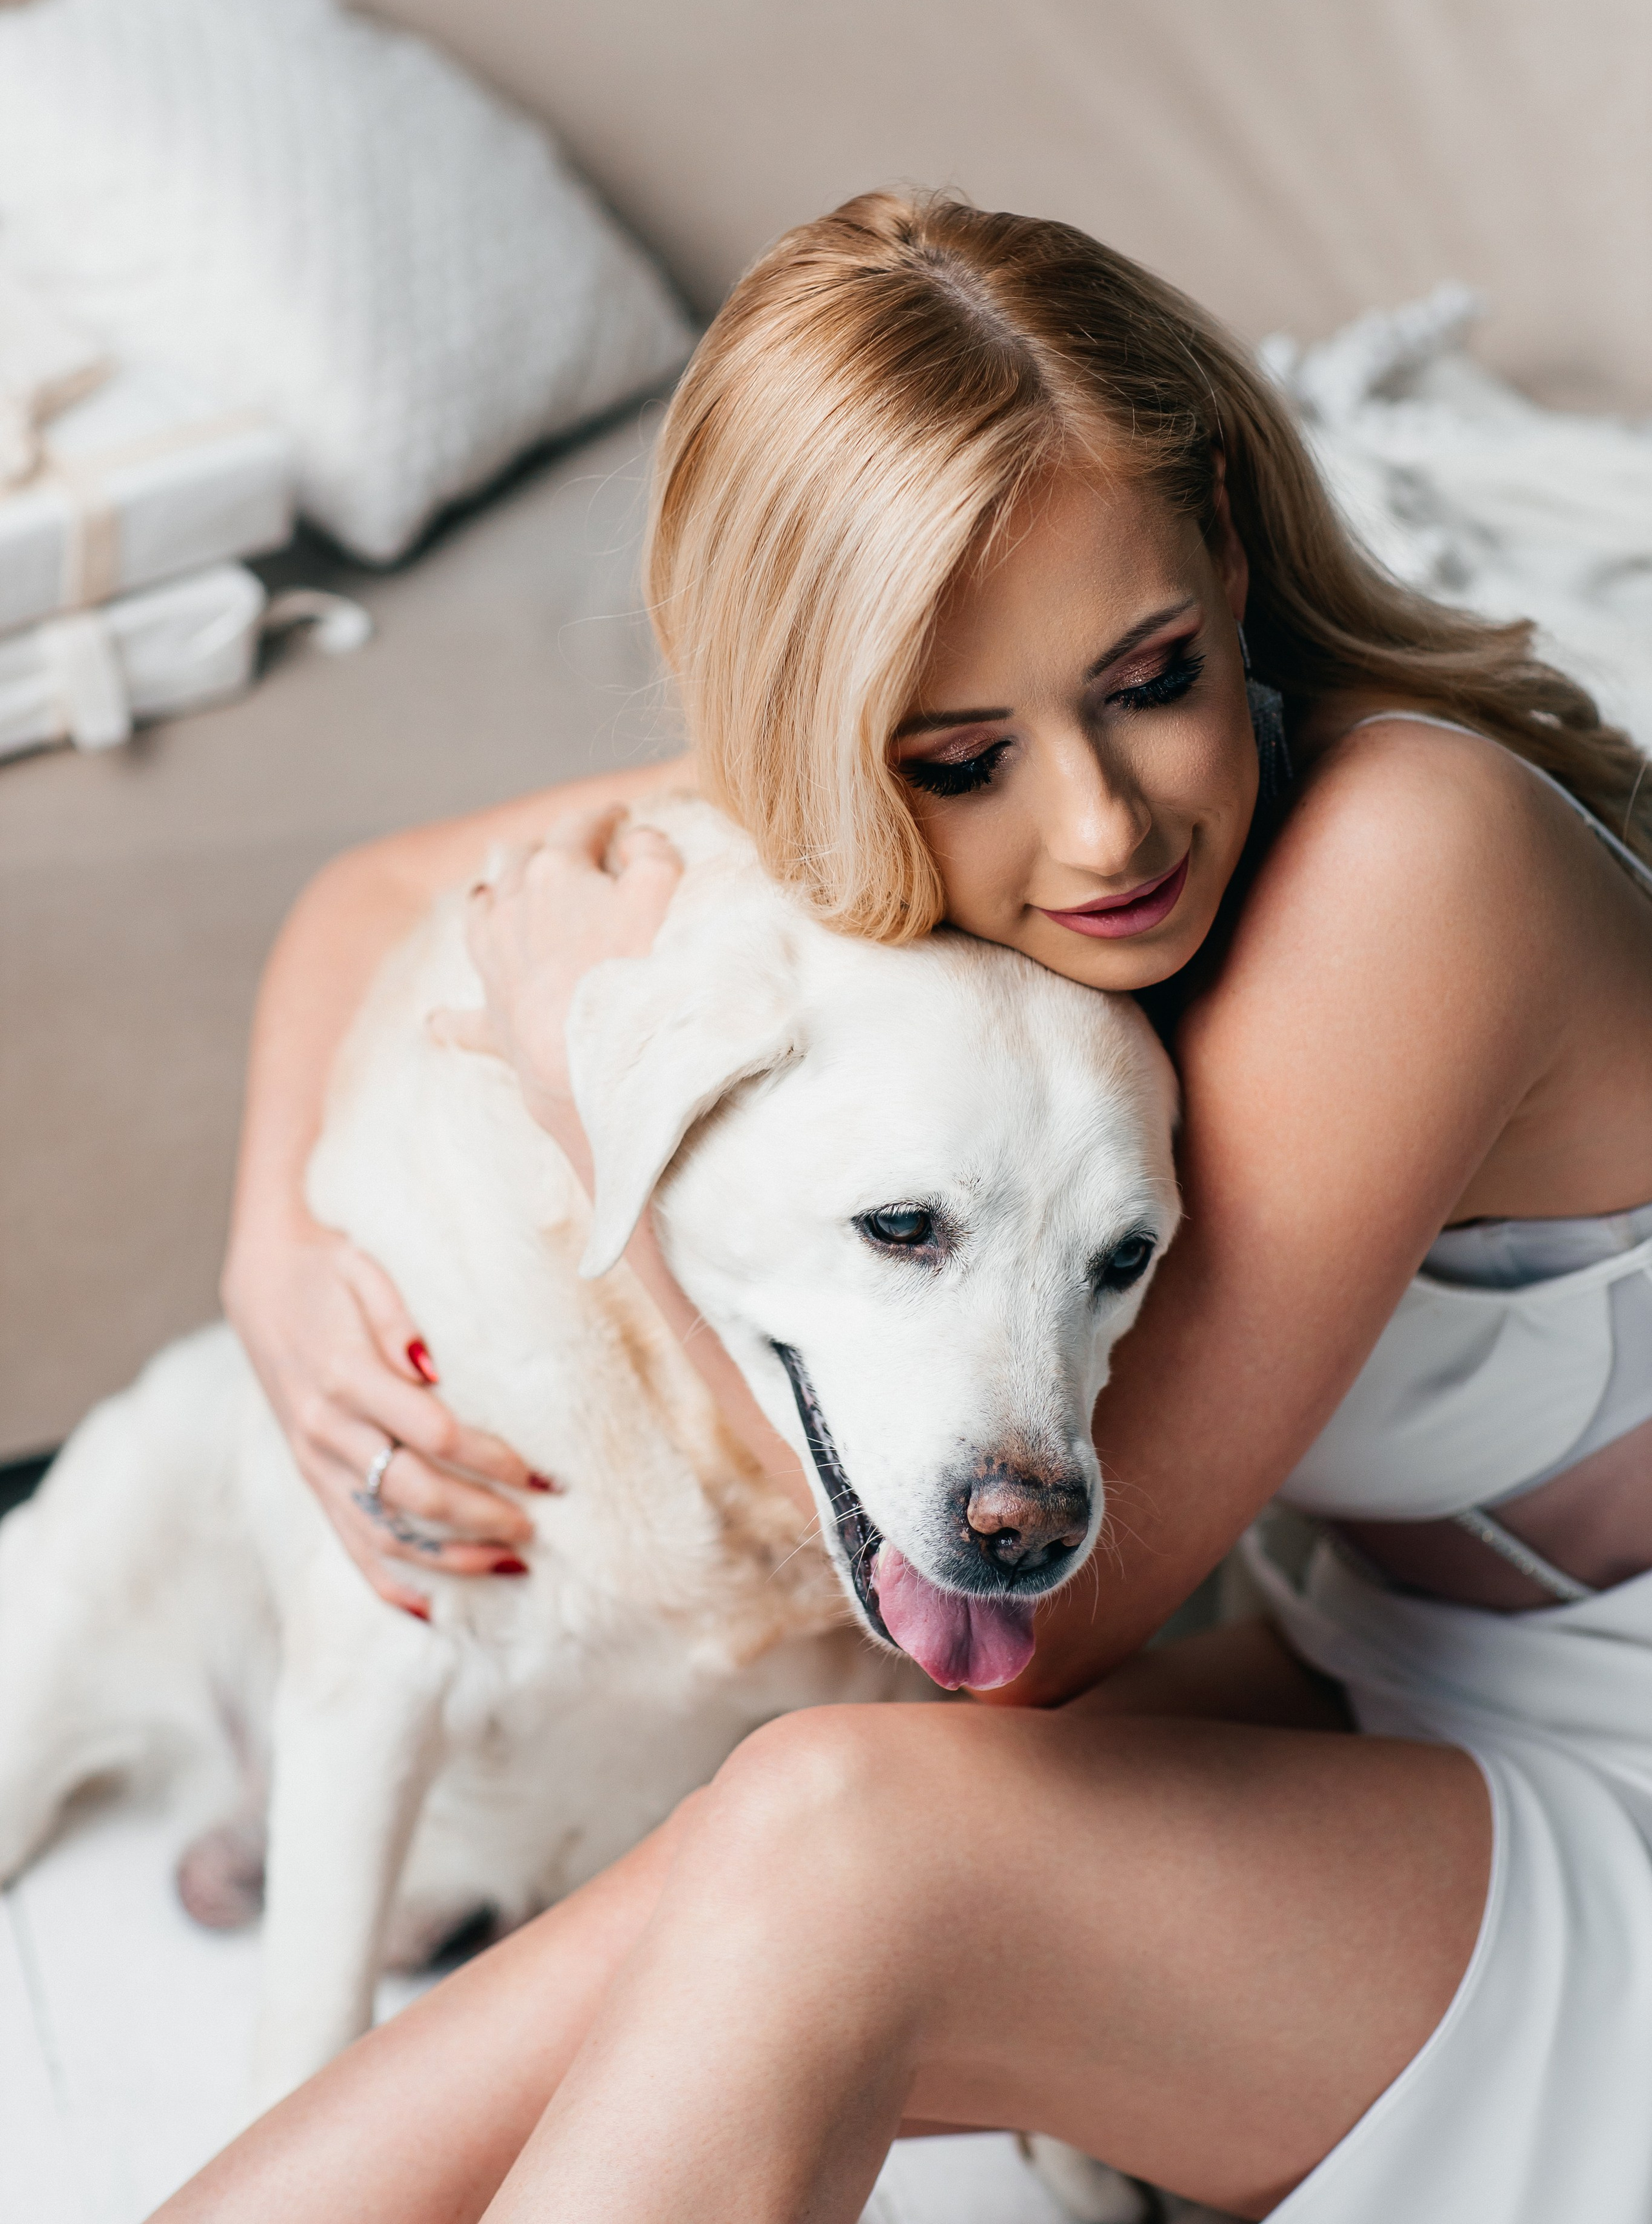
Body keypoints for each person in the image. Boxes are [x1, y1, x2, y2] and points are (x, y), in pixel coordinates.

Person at [161, 194, 1652, 2223]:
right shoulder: (938, 842)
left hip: (1609, 1796)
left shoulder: (1412, 861)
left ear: (1225, 553)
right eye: (964, 755)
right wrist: (279, 1272)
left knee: (840, 1837)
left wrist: (593, 1089)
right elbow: (364, 906)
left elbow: (1004, 1637)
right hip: (1392, 1681)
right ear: (841, 744)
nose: (1102, 824)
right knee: (701, 1893)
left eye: (1152, 676)